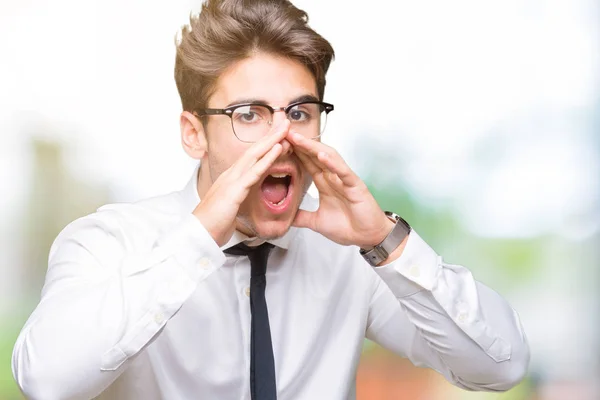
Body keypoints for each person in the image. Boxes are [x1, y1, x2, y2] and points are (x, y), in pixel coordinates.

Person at [12, 0, 530, 399]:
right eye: (249, 114)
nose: (282, 139)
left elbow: (499, 366)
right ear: (194, 134)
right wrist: (198, 239)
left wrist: (384, 241)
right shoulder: (109, 244)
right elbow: (48, 379)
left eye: (300, 113)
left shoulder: (352, 260)